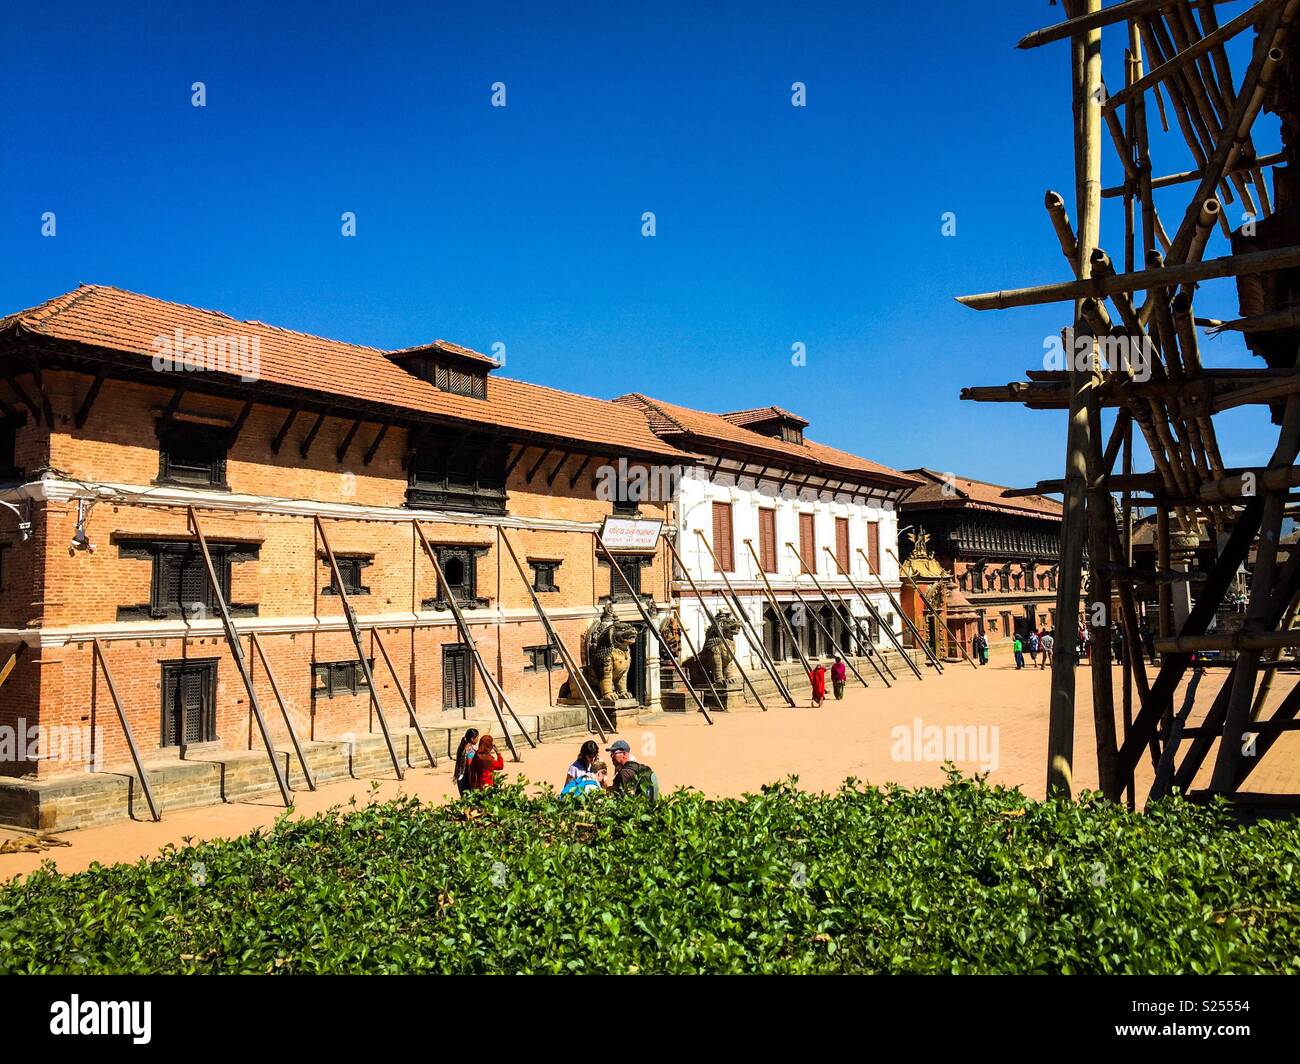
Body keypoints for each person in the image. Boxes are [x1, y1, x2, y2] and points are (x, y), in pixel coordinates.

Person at [453, 727, 480, 796]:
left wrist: (455, 775)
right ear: (472, 739)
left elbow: (458, 763)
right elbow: (470, 766)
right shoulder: (470, 751)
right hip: (467, 779)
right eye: (477, 737)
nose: (478, 739)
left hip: (460, 778)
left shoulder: (462, 747)